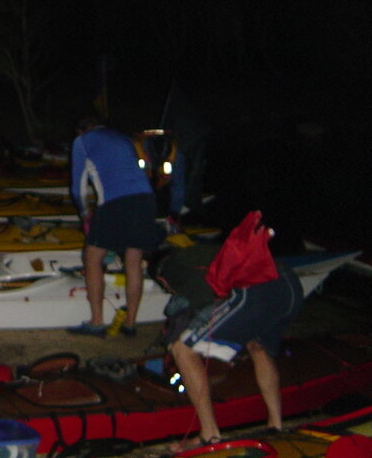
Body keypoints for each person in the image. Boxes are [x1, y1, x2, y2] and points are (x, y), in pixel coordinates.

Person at [154, 242, 304, 448]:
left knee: (182, 348)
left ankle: (210, 435)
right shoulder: (201, 252)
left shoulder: (172, 267)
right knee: (258, 347)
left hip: (254, 288)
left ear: (162, 280)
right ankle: (276, 425)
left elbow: (204, 298)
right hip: (289, 284)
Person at [67, 116, 160, 337]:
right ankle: (130, 323)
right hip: (146, 199)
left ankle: (97, 321)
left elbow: (77, 187)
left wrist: (84, 213)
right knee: (133, 259)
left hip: (116, 201)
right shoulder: (124, 138)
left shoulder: (81, 141)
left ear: (82, 130)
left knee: (92, 257)